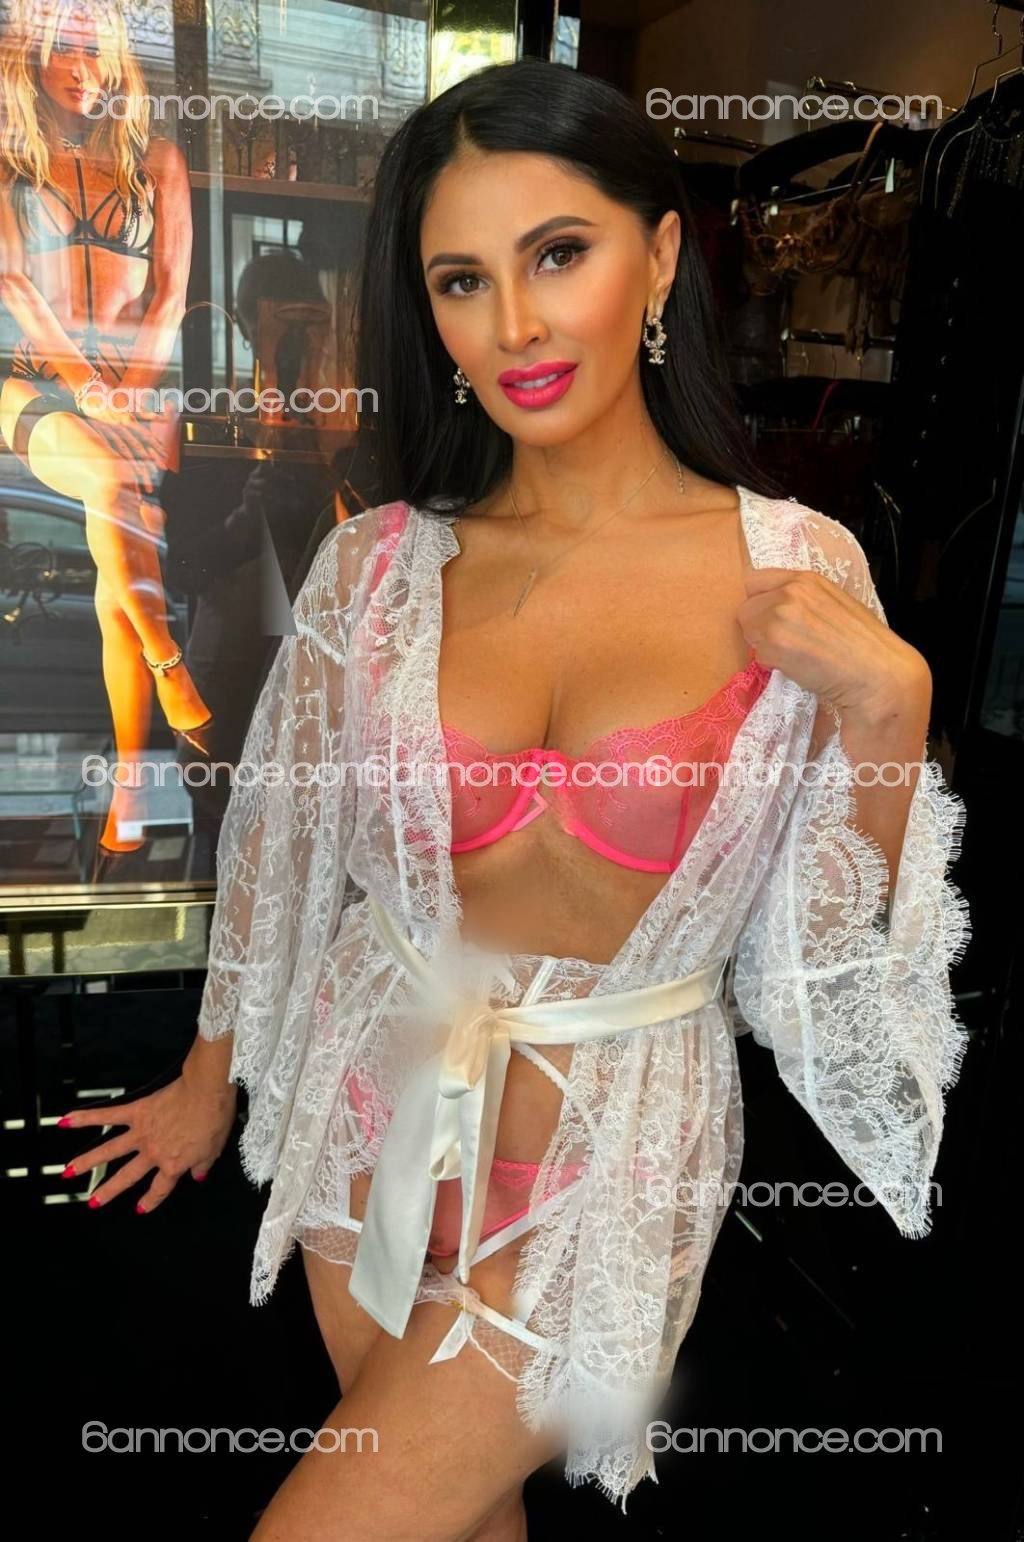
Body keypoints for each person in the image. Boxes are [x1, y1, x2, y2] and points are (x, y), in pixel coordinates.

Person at [56, 60, 972, 1540]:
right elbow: (283, 839)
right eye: (462, 281)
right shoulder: (377, 569)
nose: (516, 327)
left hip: (613, 1153)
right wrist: (210, 1077)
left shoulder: (801, 573)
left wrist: (891, 713)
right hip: (371, 1106)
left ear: (658, 258)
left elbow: (825, 981)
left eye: (558, 254)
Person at [0, 0, 210, 867]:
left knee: (123, 554)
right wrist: (89, 390)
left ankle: (128, 790)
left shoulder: (157, 160)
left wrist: (128, 393)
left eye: (97, 53)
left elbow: (171, 294)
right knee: (114, 493)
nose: (83, 71)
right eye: (65, 51)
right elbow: (14, 285)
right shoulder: (10, 159)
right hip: (32, 384)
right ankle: (170, 664)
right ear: (34, 58)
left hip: (137, 390)